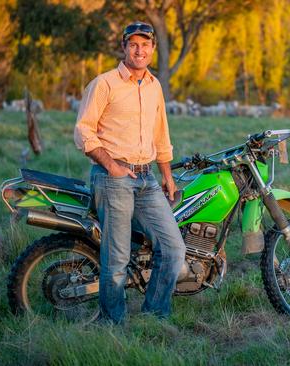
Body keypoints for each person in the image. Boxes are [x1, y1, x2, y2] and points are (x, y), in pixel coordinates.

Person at [74, 21, 185, 324]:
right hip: (113, 178)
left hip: (147, 178)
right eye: (133, 44)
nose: (140, 50)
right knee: (118, 257)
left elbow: (161, 134)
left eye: (145, 45)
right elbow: (83, 131)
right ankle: (113, 323)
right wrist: (111, 166)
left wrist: (168, 175)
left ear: (152, 49)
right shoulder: (104, 84)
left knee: (174, 248)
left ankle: (154, 318)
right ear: (123, 47)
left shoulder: (154, 86)